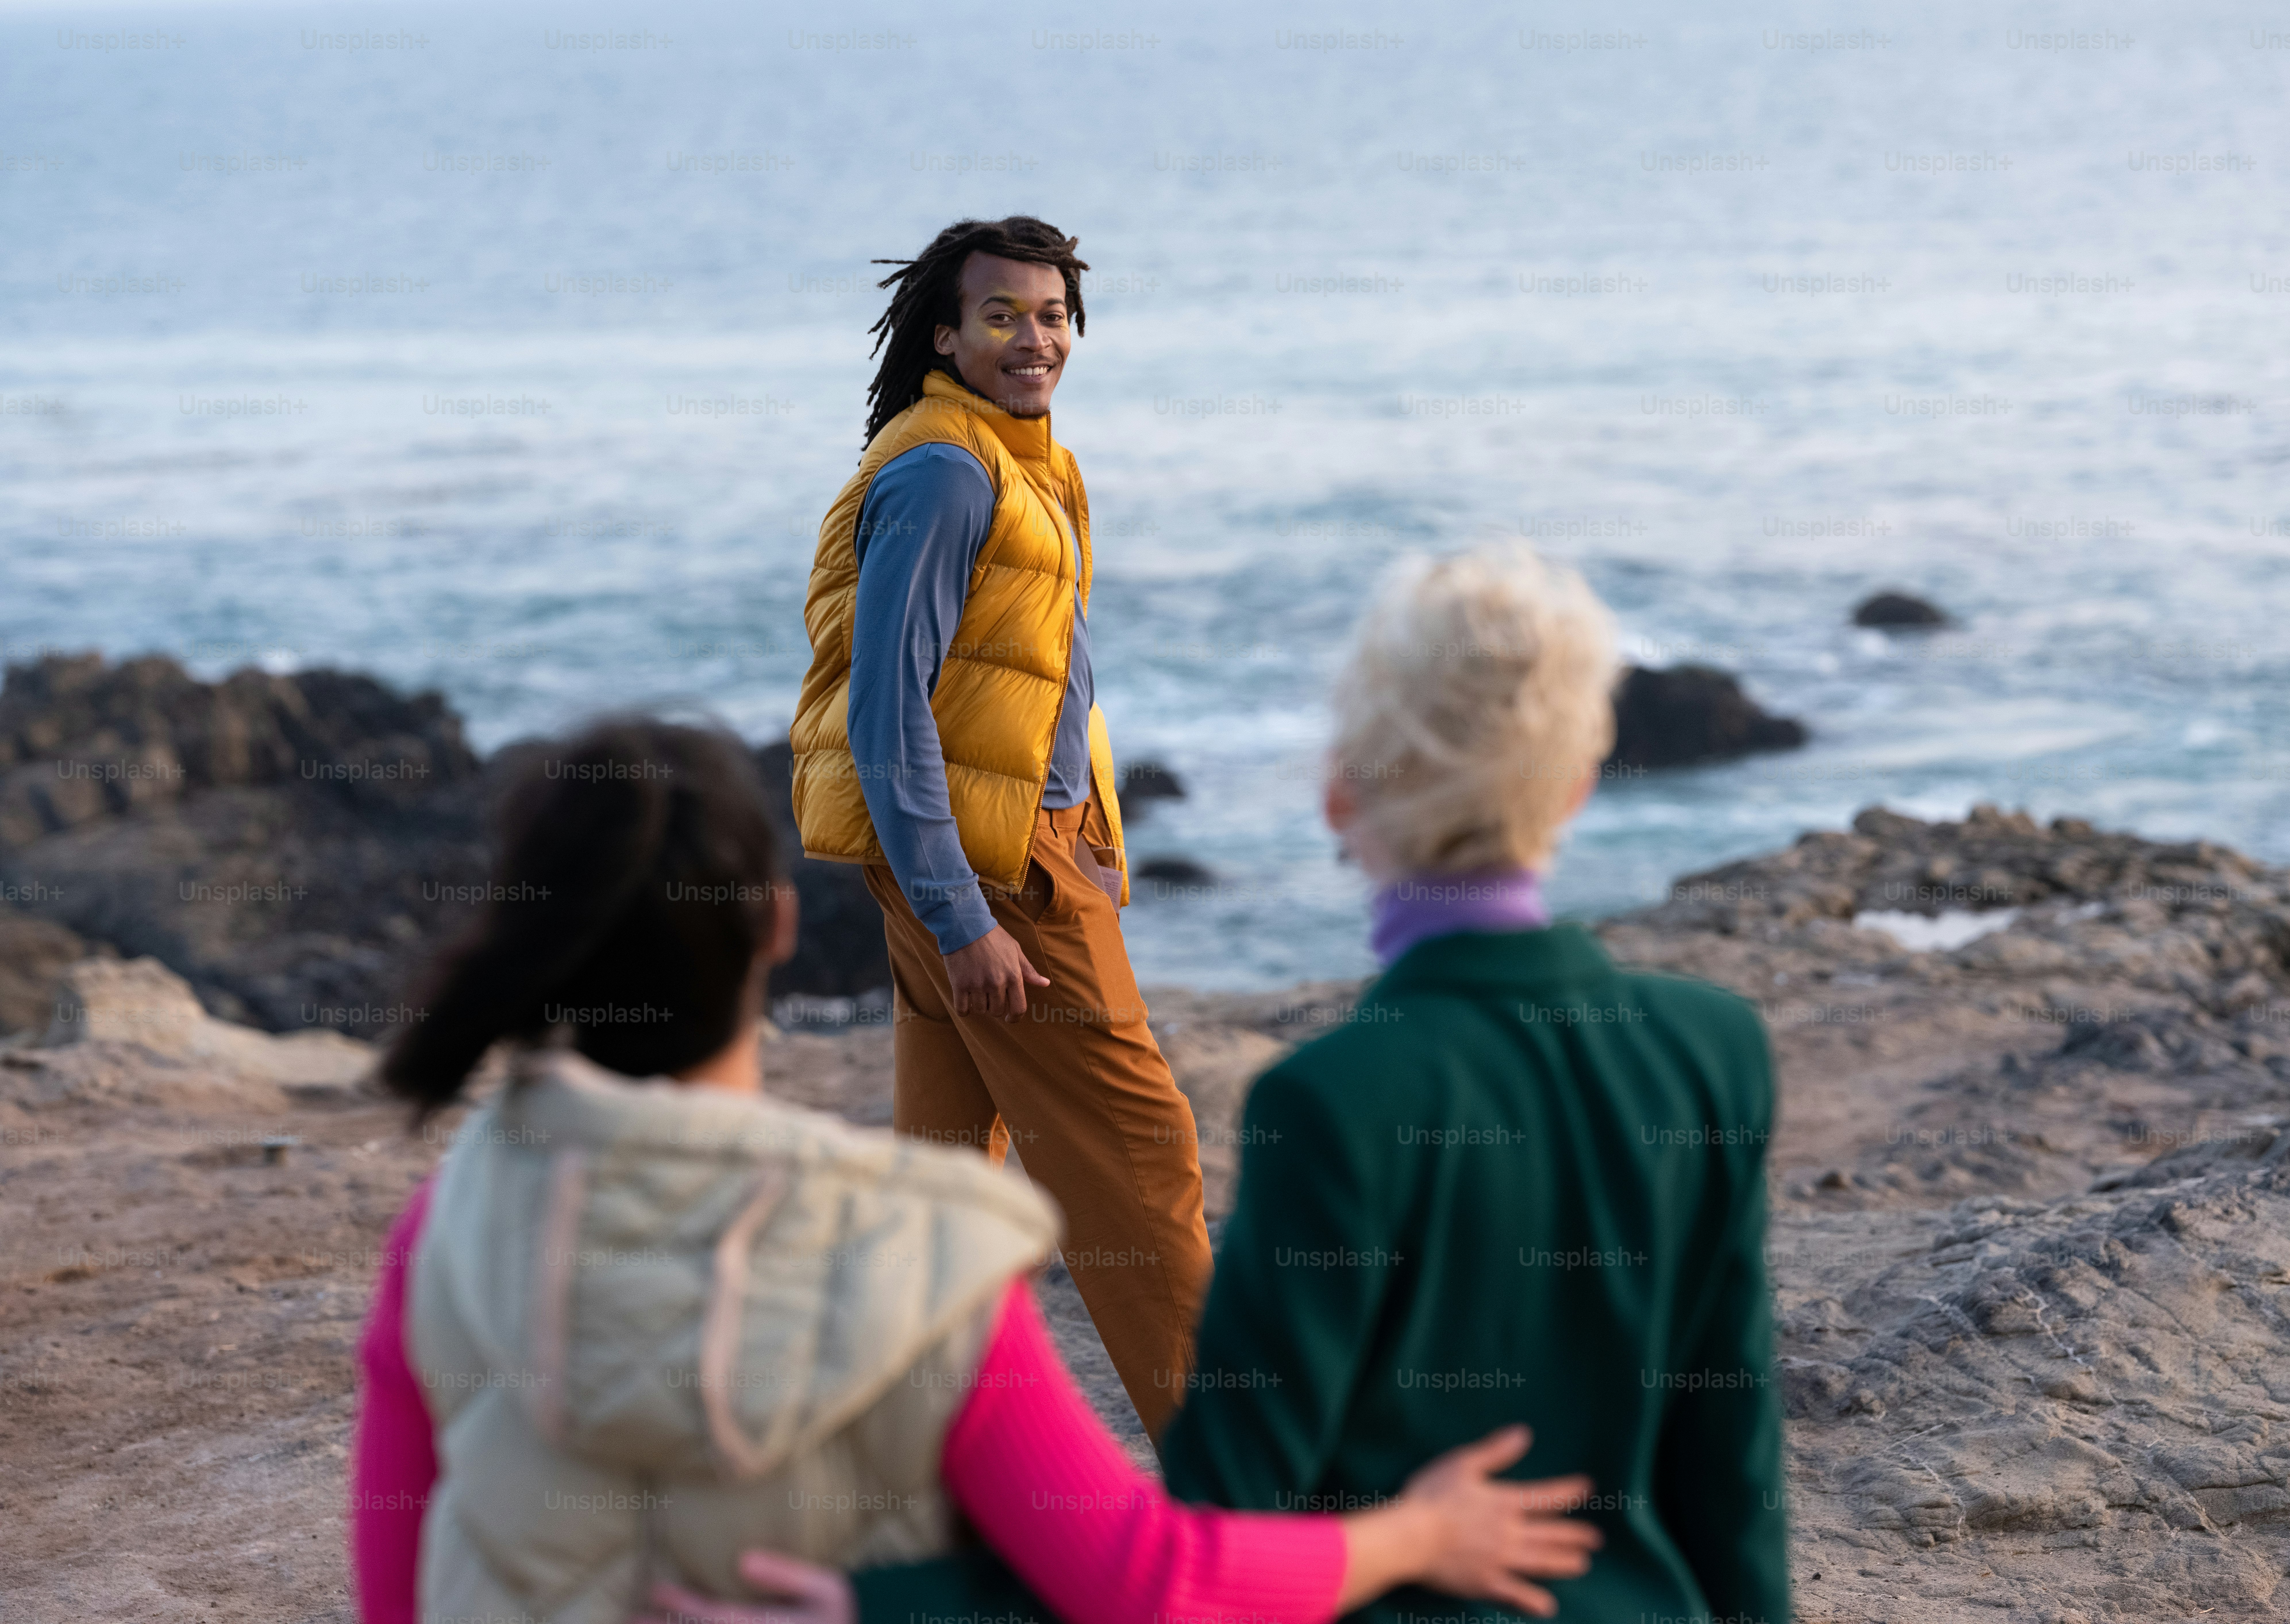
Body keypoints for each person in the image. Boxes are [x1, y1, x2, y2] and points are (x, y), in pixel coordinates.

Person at [346, 716, 1607, 1624]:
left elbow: (399, 1588)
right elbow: (1145, 1586)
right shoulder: (917, 1245)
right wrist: (1414, 1534)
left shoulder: (448, 1223)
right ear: (780, 928)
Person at [769, 545, 1790, 1623]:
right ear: (1578, 784)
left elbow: (1214, 1537)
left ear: (1339, 796)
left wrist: (874, 1604)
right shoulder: (1711, 1051)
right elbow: (1734, 1466)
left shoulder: (1333, 1099)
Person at [787, 216, 1209, 1438]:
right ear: (946, 332)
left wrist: (1095, 838)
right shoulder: (946, 473)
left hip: (1004, 854)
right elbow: (885, 711)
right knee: (1142, 1173)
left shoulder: (1012, 459)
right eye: (1003, 316)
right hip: (995, 876)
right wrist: (963, 914)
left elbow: (1034, 679)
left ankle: (908, 1488)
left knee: (941, 1183)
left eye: (1053, 315)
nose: (1036, 338)